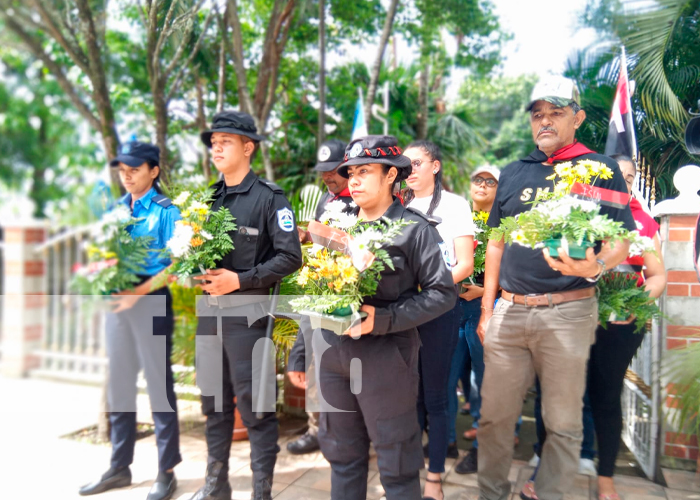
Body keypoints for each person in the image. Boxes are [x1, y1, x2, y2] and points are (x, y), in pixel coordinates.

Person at [476, 76, 636, 500]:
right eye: (538, 114)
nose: (544, 121)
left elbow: (622, 239)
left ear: (578, 118)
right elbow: (495, 244)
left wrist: (597, 263)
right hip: (509, 313)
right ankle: (490, 493)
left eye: (556, 112)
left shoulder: (600, 168)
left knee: (563, 424)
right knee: (493, 418)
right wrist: (487, 309)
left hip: (568, 312)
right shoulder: (512, 173)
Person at [287, 135, 458, 500]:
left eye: (365, 171)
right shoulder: (338, 228)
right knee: (343, 458)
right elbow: (317, 294)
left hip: (387, 359)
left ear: (391, 175)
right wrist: (301, 353)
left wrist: (383, 319)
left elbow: (442, 293)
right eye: (350, 172)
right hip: (333, 358)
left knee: (396, 466)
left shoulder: (415, 229)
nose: (354, 179)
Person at [189, 110, 302, 500]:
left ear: (248, 147)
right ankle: (215, 485)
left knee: (257, 410)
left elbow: (290, 257)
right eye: (213, 142)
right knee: (214, 404)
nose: (216, 148)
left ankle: (261, 492)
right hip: (209, 314)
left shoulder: (270, 199)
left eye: (225, 141)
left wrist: (239, 279)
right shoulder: (208, 199)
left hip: (249, 318)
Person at [79, 141, 182, 500]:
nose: (127, 174)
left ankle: (166, 471)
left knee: (158, 386)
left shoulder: (168, 211)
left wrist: (136, 293)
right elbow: (104, 255)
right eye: (122, 168)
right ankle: (119, 467)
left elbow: (177, 265)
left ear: (153, 171)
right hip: (118, 307)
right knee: (120, 384)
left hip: (150, 302)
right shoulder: (116, 211)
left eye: (135, 168)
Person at [588, 154, 666, 500]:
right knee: (563, 390)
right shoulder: (583, 215)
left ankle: (605, 478)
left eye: (630, 177)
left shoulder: (645, 223)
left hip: (623, 321)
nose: (624, 181)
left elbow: (659, 275)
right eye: (617, 175)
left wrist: (636, 303)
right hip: (577, 311)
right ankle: (553, 460)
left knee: (606, 394)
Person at [402, 140, 474, 500]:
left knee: (436, 396)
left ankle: (434, 478)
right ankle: (409, 475)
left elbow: (464, 265)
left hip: (440, 311)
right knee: (407, 396)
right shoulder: (398, 205)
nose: (410, 169)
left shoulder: (455, 205)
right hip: (401, 315)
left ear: (435, 166)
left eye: (418, 163)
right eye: (406, 164)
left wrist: (426, 286)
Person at [288, 138, 351, 455]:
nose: (328, 177)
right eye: (323, 171)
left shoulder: (364, 197)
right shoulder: (325, 200)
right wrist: (306, 235)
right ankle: (316, 429)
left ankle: (352, 433)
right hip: (320, 286)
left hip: (352, 293)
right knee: (313, 358)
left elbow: (357, 244)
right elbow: (319, 239)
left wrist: (314, 232)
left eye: (334, 170)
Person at [451, 165, 500, 475]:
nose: (482, 185)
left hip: (488, 308)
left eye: (490, 181)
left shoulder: (504, 223)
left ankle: (487, 448)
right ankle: (446, 439)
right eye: (477, 180)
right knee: (453, 376)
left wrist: (485, 292)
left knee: (489, 380)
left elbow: (516, 271)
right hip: (455, 307)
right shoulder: (459, 218)